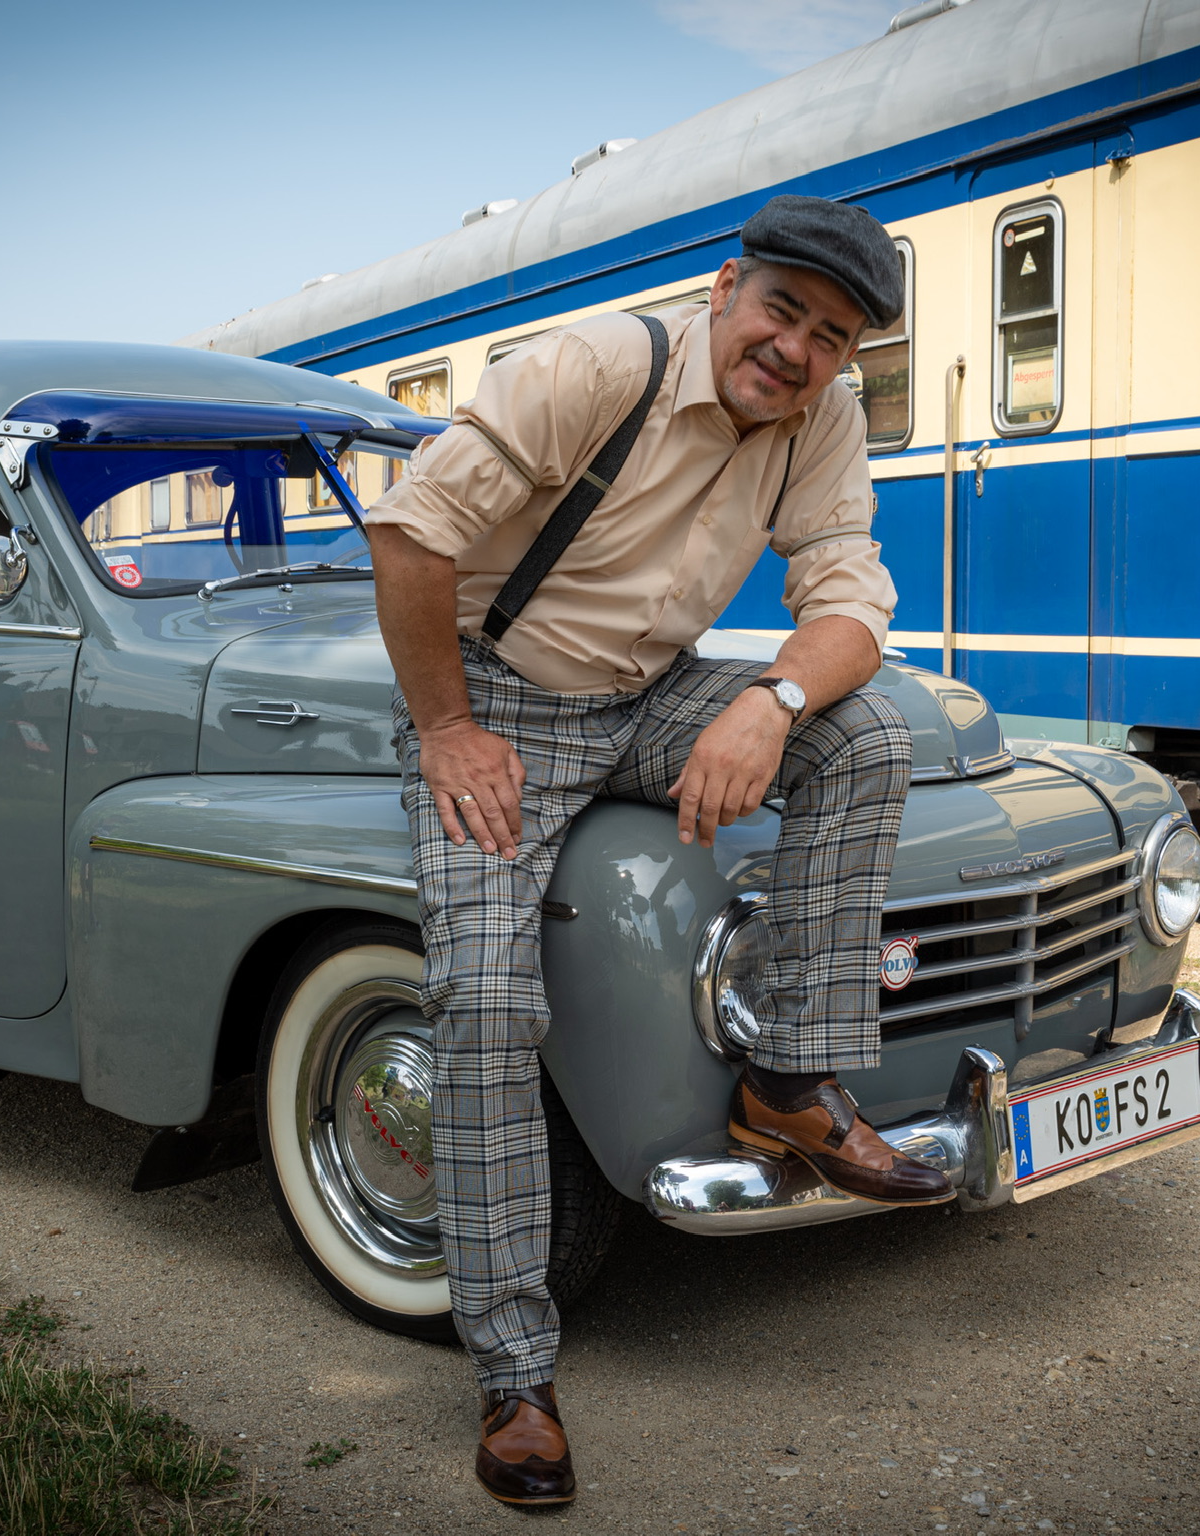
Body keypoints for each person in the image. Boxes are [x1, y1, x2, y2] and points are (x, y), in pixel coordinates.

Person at [365, 194, 952, 1509]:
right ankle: (515, 1374)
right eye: (783, 309)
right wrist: (446, 728)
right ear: (727, 289)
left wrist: (771, 701)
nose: (799, 350)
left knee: (869, 736)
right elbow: (409, 536)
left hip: (651, 690)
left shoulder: (823, 415)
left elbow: (852, 597)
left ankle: (792, 1080)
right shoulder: (590, 367)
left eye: (834, 335)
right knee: (482, 1002)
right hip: (497, 694)